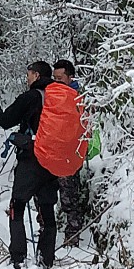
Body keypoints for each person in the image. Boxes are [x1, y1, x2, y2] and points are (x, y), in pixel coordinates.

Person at [0, 59, 57, 269]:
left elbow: (5, 120)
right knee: (47, 207)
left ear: (36, 75)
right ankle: (47, 258)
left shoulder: (31, 97)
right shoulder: (59, 97)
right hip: (53, 159)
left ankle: (18, 257)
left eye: (29, 74)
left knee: (17, 206)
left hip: (31, 157)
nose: (27, 78)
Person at [53, 58, 86, 247]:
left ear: (70, 77)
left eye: (60, 78)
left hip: (70, 153)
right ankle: (48, 232)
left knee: (69, 196)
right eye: (54, 78)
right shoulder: (53, 94)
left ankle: (73, 237)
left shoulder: (77, 96)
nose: (56, 82)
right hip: (53, 151)